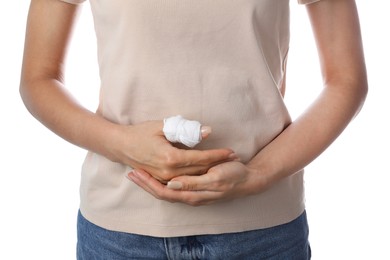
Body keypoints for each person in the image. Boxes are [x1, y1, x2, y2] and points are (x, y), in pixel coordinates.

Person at [20, 0, 367, 259]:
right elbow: (38, 79)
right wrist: (121, 144)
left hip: (263, 233)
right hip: (120, 234)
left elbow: (346, 81)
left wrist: (260, 173)